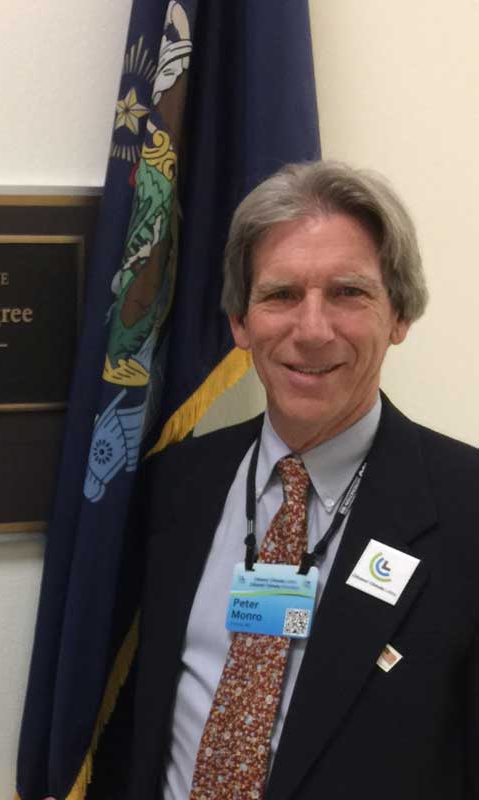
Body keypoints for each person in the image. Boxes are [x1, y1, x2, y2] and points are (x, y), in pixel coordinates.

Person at [126, 161, 479, 799]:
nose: (312, 331)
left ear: (399, 315)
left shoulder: (468, 509)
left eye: (348, 293)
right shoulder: (172, 487)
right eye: (281, 294)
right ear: (240, 321)